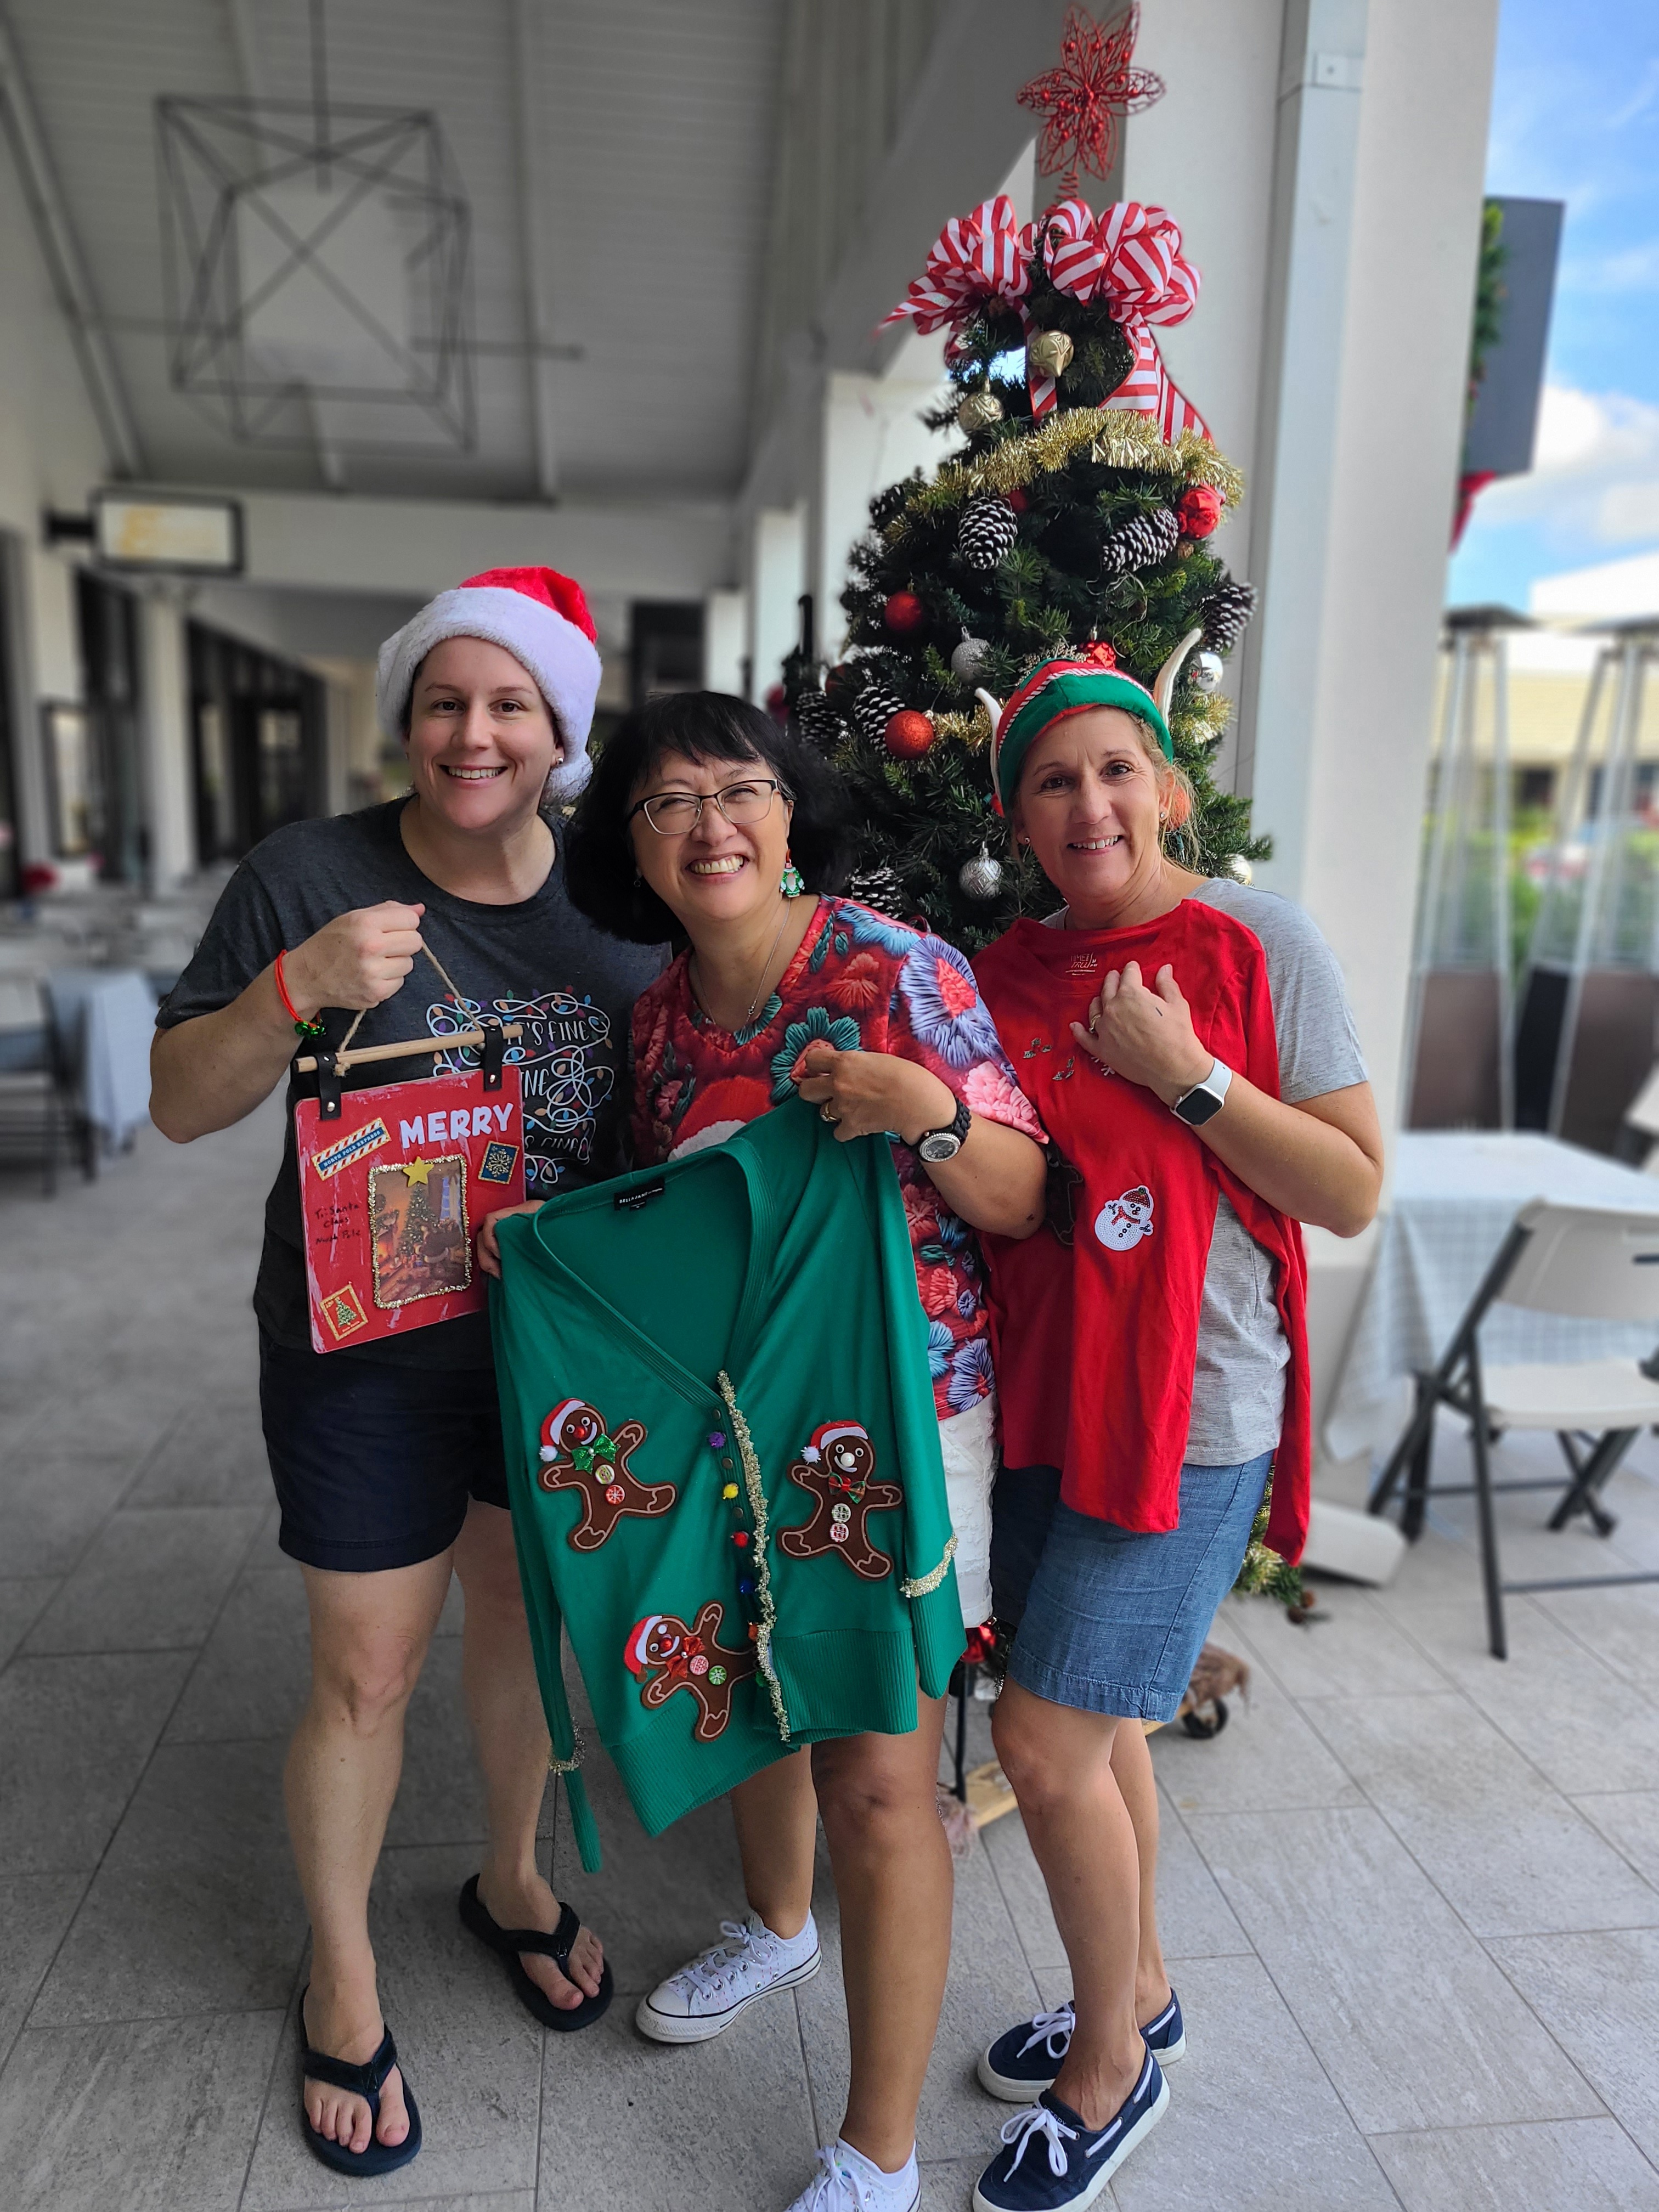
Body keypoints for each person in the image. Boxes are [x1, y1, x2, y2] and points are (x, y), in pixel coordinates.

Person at [150, 569, 662, 2181]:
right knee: (367, 1673)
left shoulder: (619, 895)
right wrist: (293, 989)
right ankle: (343, 1970)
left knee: (518, 1625)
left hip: (553, 1342)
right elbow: (178, 1101)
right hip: (358, 1348)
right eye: (446, 702)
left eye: (512, 705)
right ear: (406, 720)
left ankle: (509, 1878)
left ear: (562, 734)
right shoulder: (308, 875)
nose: (475, 734)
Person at [551, 689, 1047, 2212]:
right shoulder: (656, 1025)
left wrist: (927, 1112)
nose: (708, 825)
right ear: (633, 848)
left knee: (883, 1777)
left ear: (788, 814)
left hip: (897, 1420)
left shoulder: (896, 971)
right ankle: (777, 1928)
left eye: (739, 790)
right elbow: (668, 1233)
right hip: (731, 1421)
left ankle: (878, 2152)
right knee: (754, 1703)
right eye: (667, 802)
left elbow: (1023, 1196)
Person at [963, 652, 1384, 2212]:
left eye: (1116, 770)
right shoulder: (999, 975)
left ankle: (1109, 2072)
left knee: (1041, 1740)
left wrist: (1189, 1073)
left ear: (1172, 788)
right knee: (1105, 1725)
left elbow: (1349, 1189)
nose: (1091, 805)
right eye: (1054, 782)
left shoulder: (1260, 942)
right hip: (1046, 1398)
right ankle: (1136, 1991)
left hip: (1194, 1415)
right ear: (1017, 819)